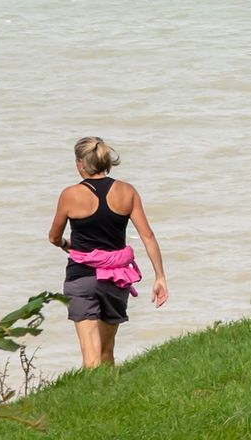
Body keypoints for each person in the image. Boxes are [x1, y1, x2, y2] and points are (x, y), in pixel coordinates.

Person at [45, 137, 166, 369]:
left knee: (90, 360)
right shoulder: (127, 191)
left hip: (83, 277)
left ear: (81, 163)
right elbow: (148, 236)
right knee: (107, 353)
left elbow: (53, 237)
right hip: (116, 279)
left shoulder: (70, 194)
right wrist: (160, 277)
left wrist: (65, 245)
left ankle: (89, 401)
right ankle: (109, 393)